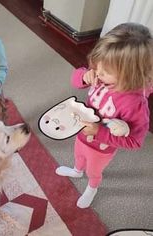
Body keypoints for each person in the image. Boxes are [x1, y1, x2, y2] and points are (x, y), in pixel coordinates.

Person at [56, 23, 153, 208]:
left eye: (105, 71)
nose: (98, 73)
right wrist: (85, 76)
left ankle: (92, 188)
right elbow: (76, 78)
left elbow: (135, 142)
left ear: (130, 75)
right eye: (97, 65)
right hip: (82, 134)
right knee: (78, 155)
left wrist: (99, 132)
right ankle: (77, 171)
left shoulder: (135, 104)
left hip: (101, 148)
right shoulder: (101, 76)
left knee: (94, 171)